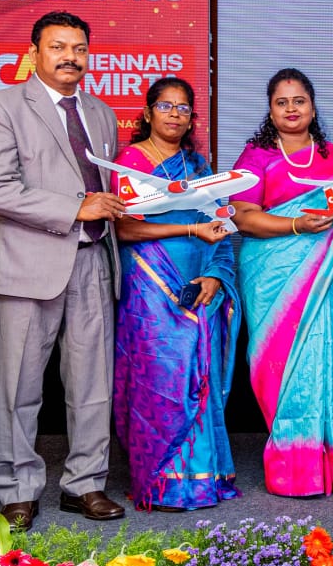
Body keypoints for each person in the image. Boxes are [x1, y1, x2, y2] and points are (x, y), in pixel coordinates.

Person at [0, 10, 127, 530]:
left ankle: (86, 484)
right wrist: (76, 208)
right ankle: (17, 488)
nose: (70, 58)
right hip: (27, 265)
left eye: (79, 48)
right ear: (34, 52)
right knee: (19, 387)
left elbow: (106, 189)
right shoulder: (0, 106)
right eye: (58, 47)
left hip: (93, 261)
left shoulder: (101, 114)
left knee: (92, 385)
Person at [230, 68, 333, 497]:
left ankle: (330, 460)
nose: (291, 109)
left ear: (313, 107)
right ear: (270, 111)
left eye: (299, 101)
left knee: (330, 362)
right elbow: (243, 217)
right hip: (274, 281)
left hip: (327, 278)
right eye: (281, 102)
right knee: (285, 371)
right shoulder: (256, 157)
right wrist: (298, 226)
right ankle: (294, 463)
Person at [109, 77, 241, 511]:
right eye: (166, 106)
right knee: (159, 378)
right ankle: (159, 480)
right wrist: (189, 229)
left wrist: (215, 276)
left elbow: (220, 226)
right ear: (148, 113)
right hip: (149, 286)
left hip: (198, 288)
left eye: (183, 108)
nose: (175, 115)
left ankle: (200, 480)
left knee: (196, 379)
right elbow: (125, 229)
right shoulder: (129, 163)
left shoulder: (199, 167)